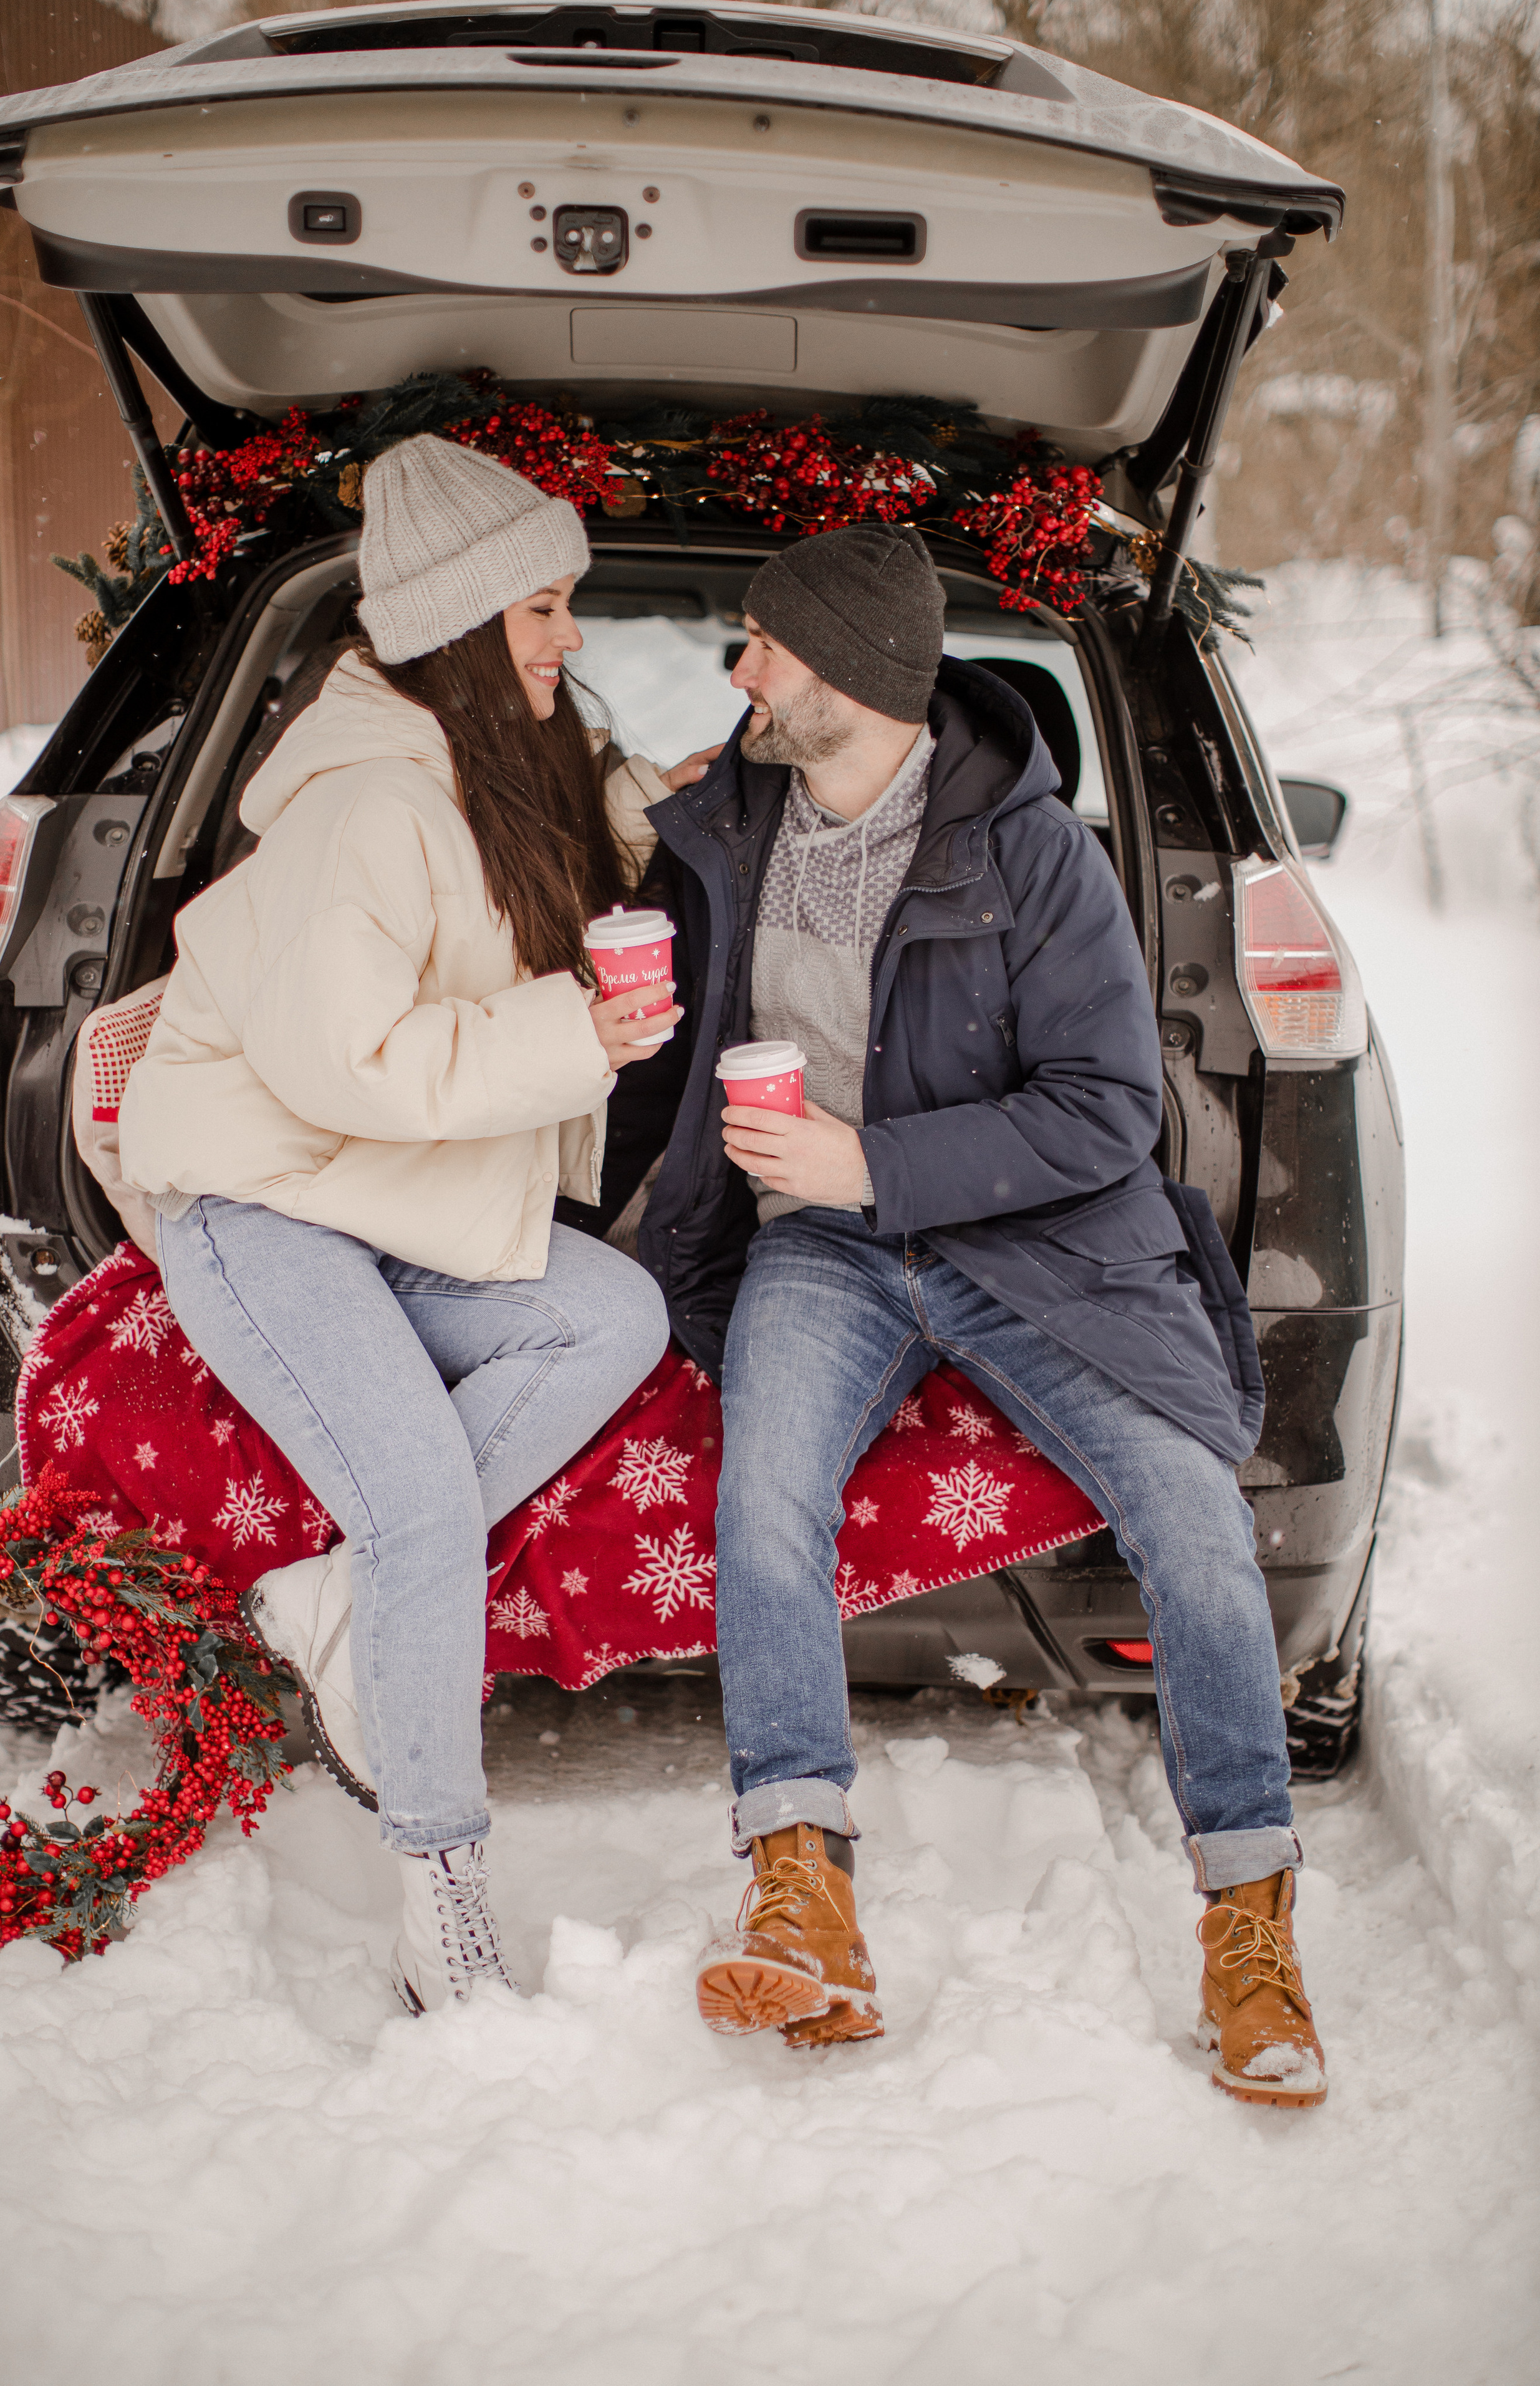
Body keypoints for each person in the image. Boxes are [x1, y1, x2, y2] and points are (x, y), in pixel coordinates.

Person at [639, 522, 1327, 2106]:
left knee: (1189, 1519)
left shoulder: (1030, 852)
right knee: (764, 1502)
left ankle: (1247, 1926)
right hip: (815, 1245)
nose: (736, 669)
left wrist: (870, 1154)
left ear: (856, 676)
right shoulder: (725, 818)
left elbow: (1103, 1111)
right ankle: (801, 1891)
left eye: (761, 645)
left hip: (1032, 1246)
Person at [118, 435, 703, 2016]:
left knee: (613, 1317)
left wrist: (710, 803)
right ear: (458, 621)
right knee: (428, 1509)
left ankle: (334, 1590)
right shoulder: (364, 806)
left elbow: (601, 836)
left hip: (396, 1205)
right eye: (543, 607)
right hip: (270, 1204)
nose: (567, 637)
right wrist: (581, 1034)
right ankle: (440, 1900)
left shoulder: (497, 764)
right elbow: (352, 1067)